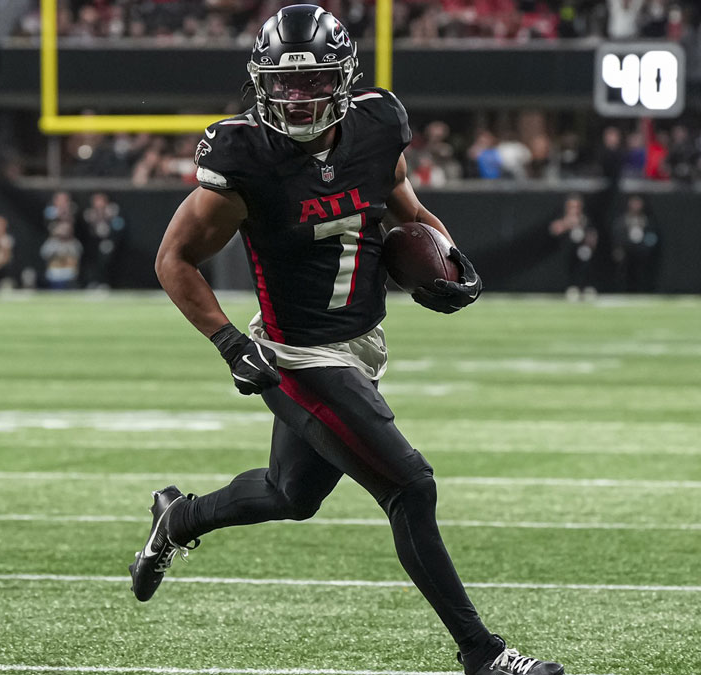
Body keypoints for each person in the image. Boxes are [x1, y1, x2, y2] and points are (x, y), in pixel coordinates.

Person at [134, 7, 562, 675]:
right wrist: (225, 340)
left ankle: (179, 518)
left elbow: (408, 210)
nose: (297, 99)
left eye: (312, 84)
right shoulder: (245, 157)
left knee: (291, 494)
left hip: (361, 344)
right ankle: (482, 651)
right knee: (410, 486)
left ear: (344, 80)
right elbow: (173, 257)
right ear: (260, 84)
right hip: (298, 356)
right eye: (283, 85)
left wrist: (451, 257)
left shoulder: (377, 127)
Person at [549, 193, 598, 300]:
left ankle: (585, 288)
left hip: (582, 250)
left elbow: (592, 234)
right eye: (572, 206)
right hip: (567, 250)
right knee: (569, 266)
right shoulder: (562, 217)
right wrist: (568, 223)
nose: (575, 209)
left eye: (577, 206)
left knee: (585, 265)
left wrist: (589, 241)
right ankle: (572, 288)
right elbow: (554, 229)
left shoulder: (585, 219)